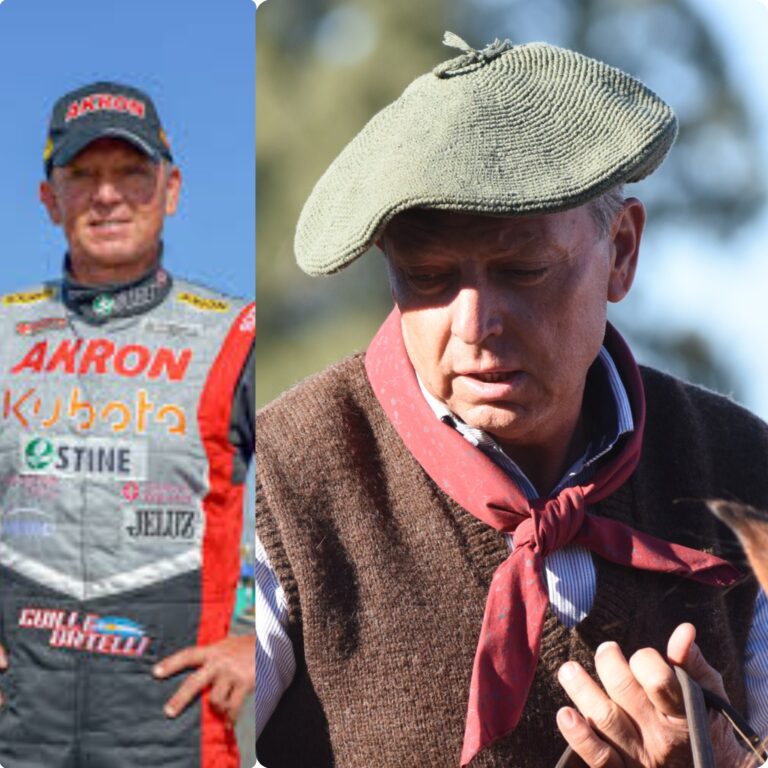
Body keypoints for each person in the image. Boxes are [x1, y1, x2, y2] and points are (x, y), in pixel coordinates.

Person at [256, 34, 768, 767]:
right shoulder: (275, 487)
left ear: (621, 251)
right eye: (427, 278)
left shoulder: (747, 475)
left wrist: (728, 760)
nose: (473, 326)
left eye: (522, 270)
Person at [0, 81, 255, 768]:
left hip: (174, 733)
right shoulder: (4, 330)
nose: (107, 195)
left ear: (171, 189)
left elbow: (320, 484)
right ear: (49, 199)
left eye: (130, 174)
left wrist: (255, 637)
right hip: (17, 730)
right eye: (82, 175)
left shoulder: (235, 334)